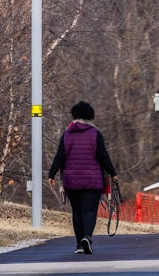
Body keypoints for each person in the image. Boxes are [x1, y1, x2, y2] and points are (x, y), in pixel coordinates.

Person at [48, 100, 117, 254]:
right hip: (92, 180)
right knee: (89, 210)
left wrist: (51, 174)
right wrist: (113, 173)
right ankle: (87, 237)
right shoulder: (95, 133)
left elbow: (60, 156)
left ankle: (79, 244)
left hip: (71, 180)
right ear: (89, 116)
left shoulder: (67, 134)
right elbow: (102, 156)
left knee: (77, 212)